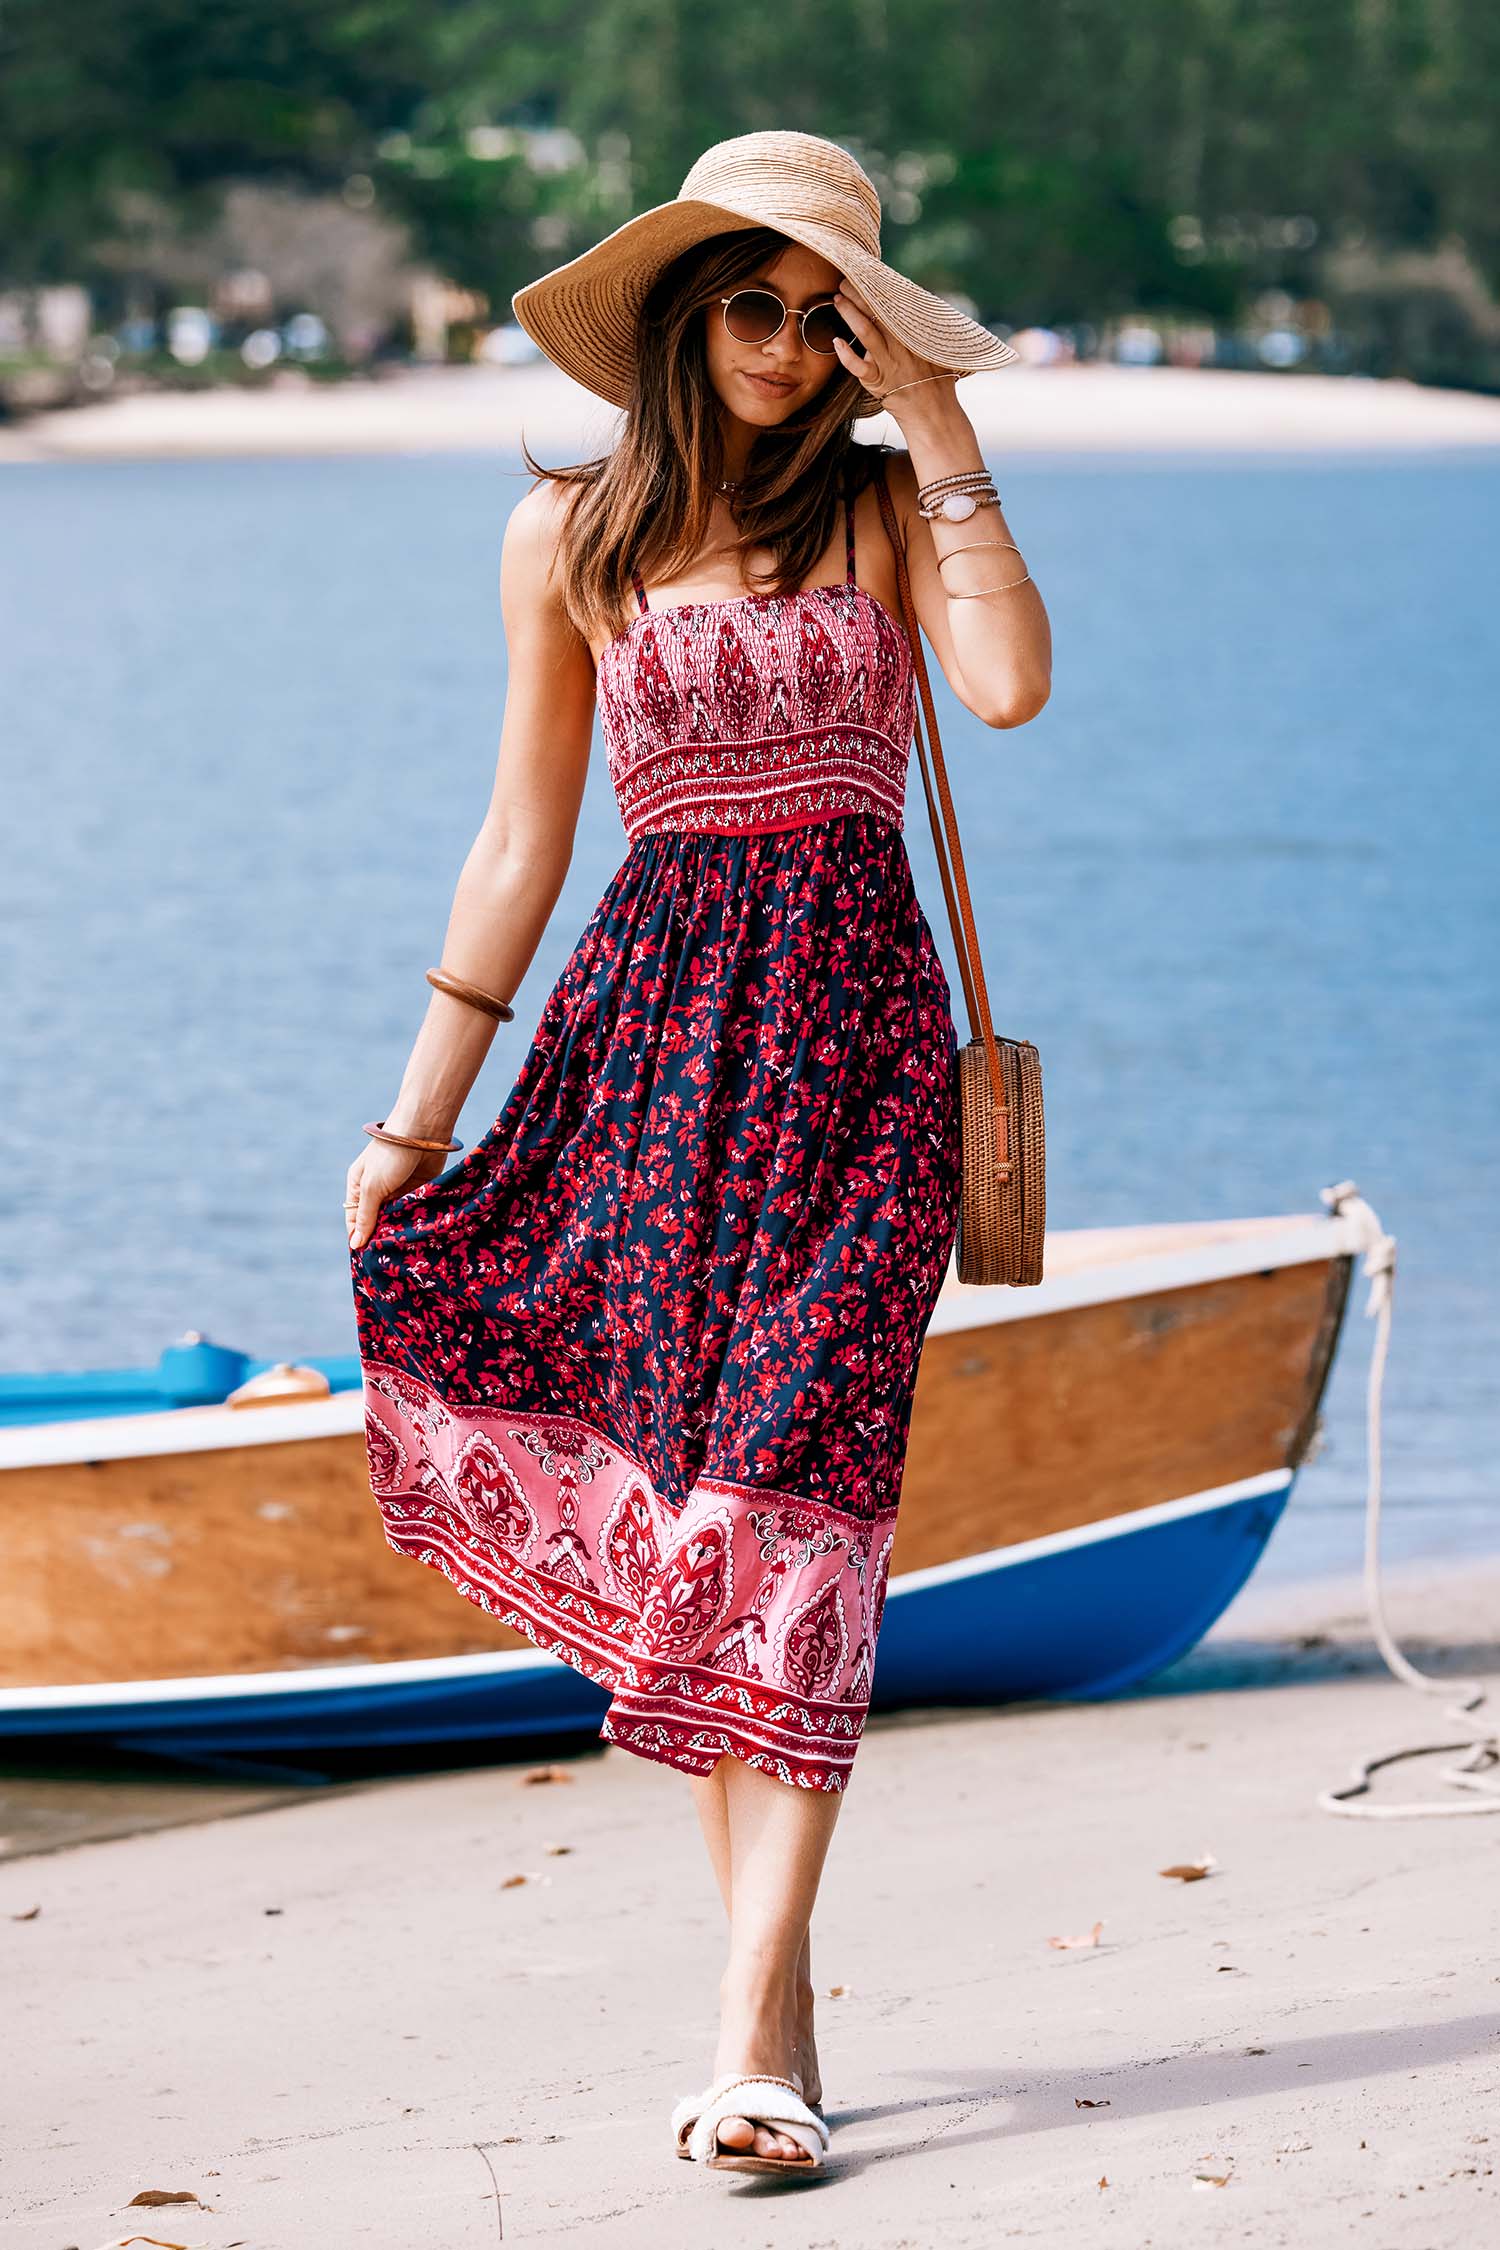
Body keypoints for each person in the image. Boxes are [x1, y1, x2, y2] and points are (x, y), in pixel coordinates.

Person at [346, 128, 1051, 2179]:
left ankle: (742, 2024)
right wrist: (417, 1119)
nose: (781, 345)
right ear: (675, 314)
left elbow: (1004, 691)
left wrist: (935, 422)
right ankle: (787, 2008)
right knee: (708, 1514)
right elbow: (517, 847)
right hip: (642, 1063)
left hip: (861, 1063)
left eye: (824, 312)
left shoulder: (882, 508)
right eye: (750, 302)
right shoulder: (563, 536)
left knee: (813, 1486)